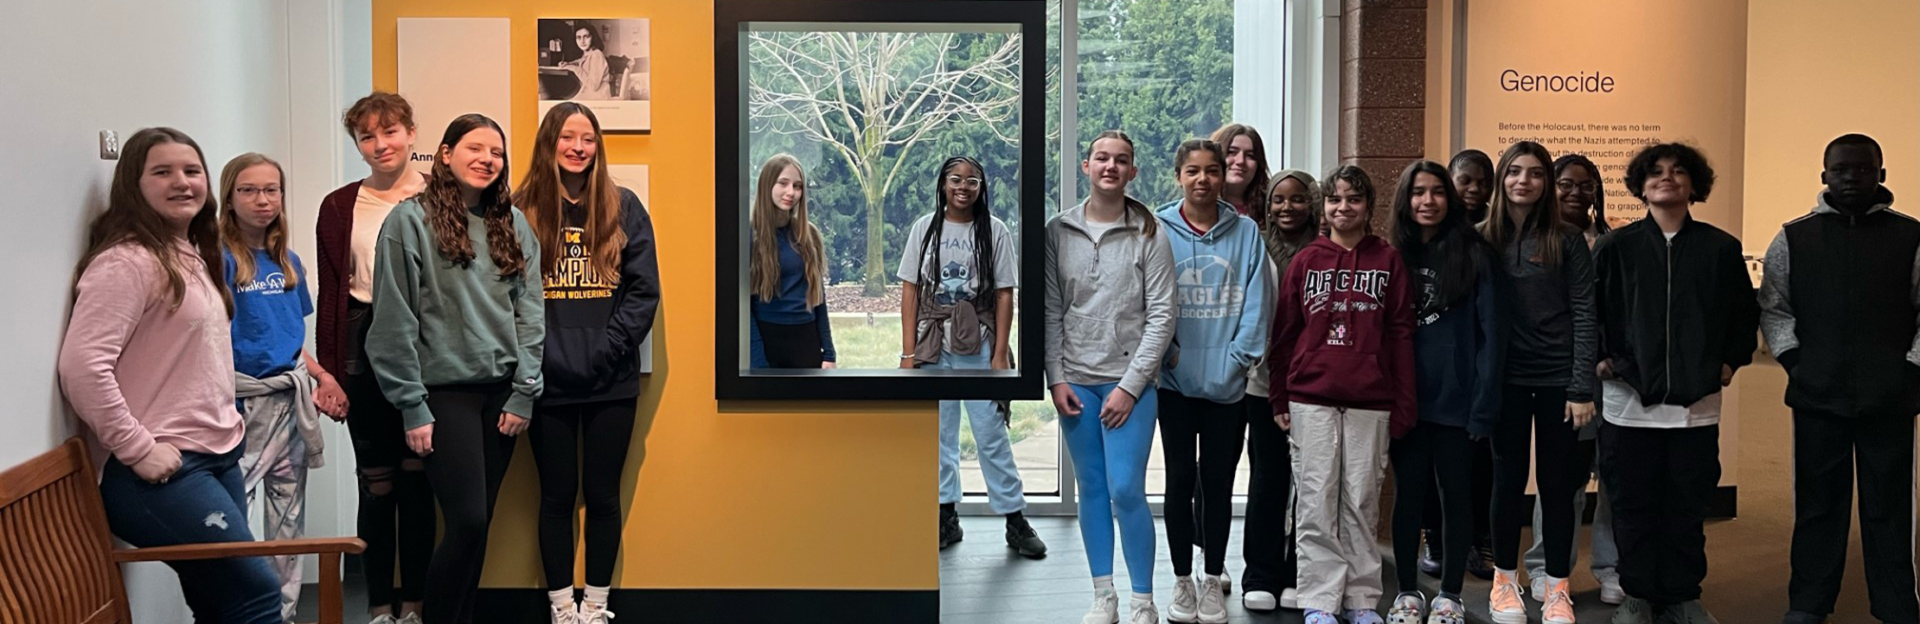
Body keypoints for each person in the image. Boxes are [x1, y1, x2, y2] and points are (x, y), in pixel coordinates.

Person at [57, 127, 282, 623]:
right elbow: (82, 367)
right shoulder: (126, 262)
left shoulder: (192, 253)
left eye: (191, 170)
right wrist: (137, 448)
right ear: (133, 184)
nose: (182, 182)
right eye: (162, 172)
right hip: (159, 469)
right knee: (258, 594)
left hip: (218, 456)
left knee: (221, 603)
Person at [366, 113, 545, 624]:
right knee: (466, 522)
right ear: (445, 154)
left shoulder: (513, 222)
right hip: (443, 395)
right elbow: (393, 320)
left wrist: (524, 391)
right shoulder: (408, 222)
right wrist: (411, 405)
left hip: (503, 396)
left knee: (479, 524)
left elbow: (531, 311)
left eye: (496, 152)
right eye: (475, 148)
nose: (487, 159)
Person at [1594, 142, 1757, 624]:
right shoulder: (1616, 248)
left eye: (1678, 171)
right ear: (1641, 187)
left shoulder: (1720, 248)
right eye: (1656, 172)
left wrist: (1730, 362)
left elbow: (1743, 314)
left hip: (1695, 409)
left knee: (1687, 508)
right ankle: (1638, 595)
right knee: (1633, 507)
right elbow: (1594, 311)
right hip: (1629, 405)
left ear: (1693, 185)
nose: (1667, 177)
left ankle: (1683, 595)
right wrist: (1605, 360)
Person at [514, 102, 661, 624]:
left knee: (602, 497)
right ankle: (561, 605)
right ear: (548, 142)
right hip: (544, 382)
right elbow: (503, 294)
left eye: (588, 138)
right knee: (555, 498)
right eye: (567, 137)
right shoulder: (520, 209)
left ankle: (596, 604)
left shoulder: (624, 206)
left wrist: (607, 348)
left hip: (610, 381)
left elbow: (643, 292)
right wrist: (541, 355)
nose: (578, 148)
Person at [1765, 134, 1920, 624]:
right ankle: (1809, 603)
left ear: (1882, 175)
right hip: (1817, 396)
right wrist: (1795, 363)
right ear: (1824, 176)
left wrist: (1910, 369)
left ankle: (1896, 605)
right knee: (1818, 507)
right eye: (1841, 169)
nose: (1851, 177)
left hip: (1890, 399)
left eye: (1863, 168)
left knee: (1889, 508)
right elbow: (1775, 308)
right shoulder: (1794, 237)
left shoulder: (1911, 237)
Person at [1269, 164, 1416, 624]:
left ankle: (1361, 600)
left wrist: (1403, 402)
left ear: (1368, 206)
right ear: (1324, 207)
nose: (1343, 207)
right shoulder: (1306, 260)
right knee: (1315, 501)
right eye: (1335, 199)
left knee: (1361, 500)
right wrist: (1279, 396)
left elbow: (1401, 334)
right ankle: (1319, 600)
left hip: (1371, 399)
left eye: (1354, 199)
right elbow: (1285, 334)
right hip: (1310, 396)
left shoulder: (1387, 260)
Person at [1047, 130, 1176, 624]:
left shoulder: (1150, 232)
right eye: (1102, 158)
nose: (1110, 166)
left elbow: (1162, 315)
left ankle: (1144, 600)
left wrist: (1130, 386)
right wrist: (1056, 378)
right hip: (1076, 382)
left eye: (1121, 160)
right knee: (1093, 488)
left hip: (1131, 384)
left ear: (1132, 172)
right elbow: (1051, 309)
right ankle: (1104, 595)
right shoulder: (1058, 230)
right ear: (1086, 166)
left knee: (1126, 489)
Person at [316, 91, 435, 624]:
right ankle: (380, 605)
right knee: (377, 482)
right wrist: (329, 374)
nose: (380, 144)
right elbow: (331, 293)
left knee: (418, 479)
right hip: (361, 346)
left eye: (390, 132)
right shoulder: (339, 206)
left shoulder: (440, 196)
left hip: (427, 346)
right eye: (367, 136)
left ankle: (417, 603)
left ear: (411, 133)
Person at [219, 152, 347, 621]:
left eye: (271, 190)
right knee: (234, 516)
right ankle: (242, 611)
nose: (262, 200)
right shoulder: (219, 261)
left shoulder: (287, 263)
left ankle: (283, 615)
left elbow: (290, 343)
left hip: (289, 404)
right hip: (240, 406)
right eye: (249, 190)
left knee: (288, 518)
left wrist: (323, 376)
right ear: (229, 198)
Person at [900, 156, 1044, 557]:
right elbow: (910, 290)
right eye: (955, 179)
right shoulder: (924, 229)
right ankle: (945, 515)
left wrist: (999, 354)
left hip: (979, 343)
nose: (963, 187)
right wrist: (908, 352)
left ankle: (1014, 518)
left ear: (981, 188)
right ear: (943, 184)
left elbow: (1004, 294)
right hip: (934, 344)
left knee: (991, 433)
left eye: (972, 181)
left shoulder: (994, 231)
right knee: (940, 434)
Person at [1478, 140, 1596, 624]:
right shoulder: (1483, 238)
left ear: (1546, 182)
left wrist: (1581, 387)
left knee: (1557, 486)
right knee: (1507, 483)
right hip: (1504, 381)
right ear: (1502, 179)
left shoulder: (1567, 239)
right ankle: (1504, 582)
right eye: (1514, 172)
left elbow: (1585, 313)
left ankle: (1557, 588)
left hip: (1558, 382)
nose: (1523, 181)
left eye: (1534, 173)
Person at [1153, 139, 1269, 624]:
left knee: (1219, 485)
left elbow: (1258, 304)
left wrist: (1236, 361)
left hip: (1228, 385)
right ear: (1178, 175)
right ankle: (1182, 579)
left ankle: (1212, 578)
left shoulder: (1246, 232)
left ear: (1224, 176)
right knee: (1179, 480)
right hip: (1173, 383)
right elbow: (1148, 298)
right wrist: (1168, 356)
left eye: (1212, 171)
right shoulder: (1158, 228)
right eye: (1193, 171)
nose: (1203, 179)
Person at [1384, 161, 1499, 624]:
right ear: (1405, 200)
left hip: (1457, 401)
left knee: (1457, 497)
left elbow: (1492, 335)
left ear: (1449, 199)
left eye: (1436, 191)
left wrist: (1483, 404)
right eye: (1418, 192)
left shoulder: (1475, 253)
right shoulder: (1393, 255)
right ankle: (1407, 592)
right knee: (1409, 497)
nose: (1427, 201)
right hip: (1406, 401)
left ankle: (1450, 594)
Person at [1524, 152, 1623, 606]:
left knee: (1613, 477)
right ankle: (1546, 565)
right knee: (1562, 480)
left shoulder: (1615, 241)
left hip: (1611, 378)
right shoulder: (1538, 239)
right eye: (1566, 183)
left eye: (1586, 185)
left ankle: (1611, 568)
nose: (1576, 192)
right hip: (1564, 377)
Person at [1240, 169, 1317, 613]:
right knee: (1268, 479)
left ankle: (1297, 574)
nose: (1287, 207)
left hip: (1314, 383)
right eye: (1279, 199)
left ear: (1314, 202)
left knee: (1310, 485)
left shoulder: (1325, 249)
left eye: (1298, 198)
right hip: (1263, 381)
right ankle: (1261, 573)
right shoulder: (1256, 245)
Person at [1423, 148, 1498, 583]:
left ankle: (1478, 539)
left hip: (1477, 375)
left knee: (1481, 465)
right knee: (1431, 469)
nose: (1474, 188)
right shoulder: (1425, 237)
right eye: (1465, 179)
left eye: (1483, 181)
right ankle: (1434, 536)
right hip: (1433, 378)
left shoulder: (1491, 237)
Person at [748, 154, 837, 369]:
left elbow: (818, 298)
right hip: (766, 339)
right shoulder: (749, 236)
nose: (791, 192)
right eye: (783, 183)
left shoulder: (808, 234)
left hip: (806, 340)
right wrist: (758, 361)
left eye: (797, 186)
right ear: (767, 185)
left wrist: (829, 353)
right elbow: (744, 306)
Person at [562, 23, 613, 100]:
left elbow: (593, 86)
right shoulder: (589, 54)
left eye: (586, 37)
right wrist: (569, 63)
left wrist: (574, 68)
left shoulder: (596, 55)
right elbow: (583, 61)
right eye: (579, 37)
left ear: (593, 37)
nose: (582, 41)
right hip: (589, 95)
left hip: (597, 98)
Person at [1450, 149, 1495, 227]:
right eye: (1465, 181)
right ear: (1449, 180)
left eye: (1483, 183)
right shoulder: (1436, 219)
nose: (1474, 189)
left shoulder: (1498, 224)